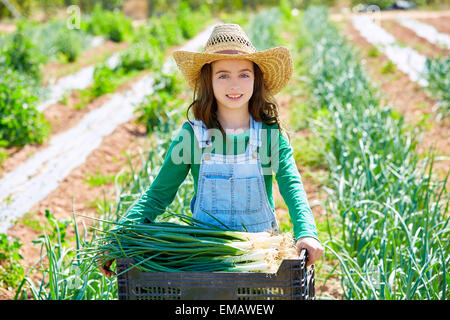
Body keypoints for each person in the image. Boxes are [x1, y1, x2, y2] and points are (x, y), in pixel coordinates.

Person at [99, 23, 323, 277]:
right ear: (209, 80)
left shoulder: (269, 136)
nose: (234, 85)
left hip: (262, 261)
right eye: (223, 75)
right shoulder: (192, 138)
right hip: (206, 263)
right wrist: (117, 238)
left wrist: (306, 232)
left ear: (256, 78)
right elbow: (157, 196)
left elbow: (291, 186)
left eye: (244, 74)